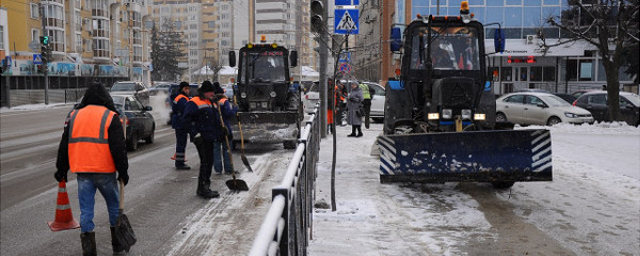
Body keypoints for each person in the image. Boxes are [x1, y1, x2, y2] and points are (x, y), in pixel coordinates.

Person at [55, 82, 129, 256]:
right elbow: (119, 148)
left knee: (86, 211)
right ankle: (117, 245)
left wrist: (61, 169)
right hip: (105, 171)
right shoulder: (110, 116)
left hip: (82, 172)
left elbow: (64, 145)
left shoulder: (74, 116)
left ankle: (89, 250)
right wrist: (123, 171)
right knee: (113, 207)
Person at [181, 81, 223, 199]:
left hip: (210, 137)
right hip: (201, 137)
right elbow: (186, 120)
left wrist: (221, 131)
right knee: (205, 162)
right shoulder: (194, 102)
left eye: (212, 92)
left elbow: (215, 120)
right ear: (204, 92)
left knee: (209, 161)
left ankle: (204, 187)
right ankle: (203, 188)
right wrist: (195, 134)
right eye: (209, 92)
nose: (211, 94)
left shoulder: (212, 102)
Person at [213, 82, 238, 174]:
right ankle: (228, 169)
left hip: (215, 129)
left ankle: (218, 169)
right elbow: (229, 114)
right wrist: (235, 109)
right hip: (225, 128)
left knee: (216, 150)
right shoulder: (224, 101)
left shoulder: (212, 101)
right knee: (226, 149)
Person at [171, 82, 192, 170]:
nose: (187, 90)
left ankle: (180, 161)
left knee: (181, 143)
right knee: (181, 143)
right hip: (180, 123)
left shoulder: (182, 97)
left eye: (188, 88)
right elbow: (186, 109)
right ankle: (180, 163)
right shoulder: (182, 99)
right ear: (182, 89)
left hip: (179, 122)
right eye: (185, 88)